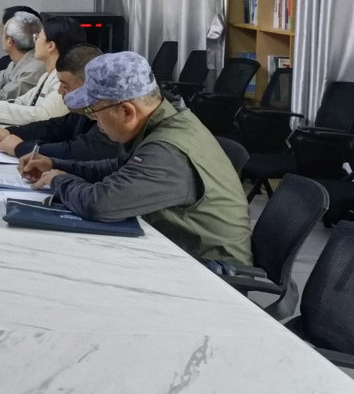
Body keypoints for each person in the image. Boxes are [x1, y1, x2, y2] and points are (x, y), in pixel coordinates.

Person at [18, 51, 252, 264]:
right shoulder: (165, 120)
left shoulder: (168, 152)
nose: (93, 120)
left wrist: (58, 180)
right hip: (179, 251)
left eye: (93, 111)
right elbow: (120, 168)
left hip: (211, 272)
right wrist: (57, 164)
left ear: (127, 111)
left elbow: (100, 204)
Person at [0, 44, 118, 161]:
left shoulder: (110, 115)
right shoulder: (84, 112)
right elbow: (55, 127)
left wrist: (21, 148)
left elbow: (78, 151)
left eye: (65, 85)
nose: (60, 91)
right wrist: (9, 133)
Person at [0, 16, 84, 126]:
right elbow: (21, 102)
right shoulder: (46, 76)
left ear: (50, 46)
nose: (34, 43)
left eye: (37, 37)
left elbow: (44, 115)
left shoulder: (65, 81)